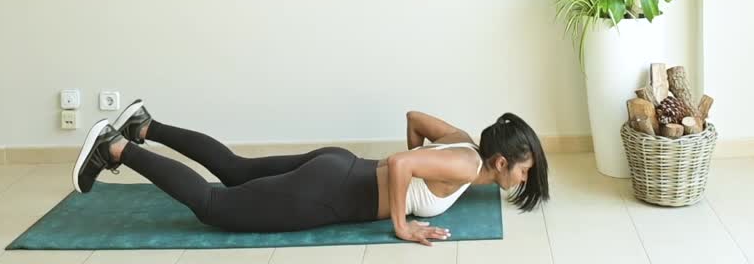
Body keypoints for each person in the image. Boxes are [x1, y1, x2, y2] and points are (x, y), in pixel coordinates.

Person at [71, 99, 549, 246]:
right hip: (332, 194)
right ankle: (115, 148)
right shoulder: (465, 164)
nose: (524, 181)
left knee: (235, 169)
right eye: (525, 173)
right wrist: (401, 223)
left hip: (339, 166)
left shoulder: (464, 140)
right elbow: (405, 163)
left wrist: (404, 180)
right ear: (501, 163)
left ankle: (143, 125)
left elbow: (413, 120)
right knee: (215, 206)